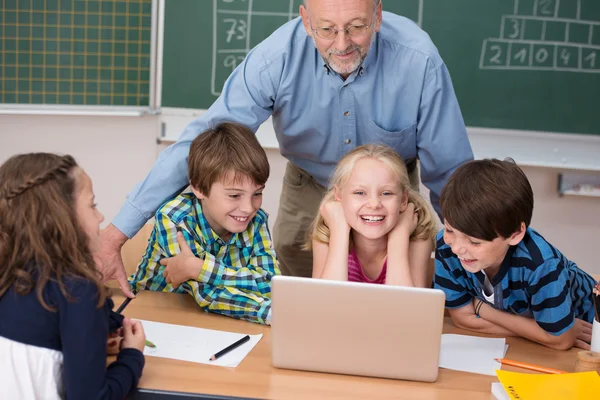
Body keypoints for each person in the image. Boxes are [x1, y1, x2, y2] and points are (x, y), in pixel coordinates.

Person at [100, 0, 473, 295]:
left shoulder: (418, 59)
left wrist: (472, 258)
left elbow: (450, 168)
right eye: (327, 29)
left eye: (357, 27)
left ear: (377, 15)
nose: (342, 44)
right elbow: (201, 143)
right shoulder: (274, 59)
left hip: (394, 196)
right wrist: (117, 234)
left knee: (411, 300)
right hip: (309, 187)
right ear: (306, 20)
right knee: (301, 301)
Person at [0, 153, 146, 399]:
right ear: (62, 219)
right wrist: (132, 356)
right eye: (92, 205)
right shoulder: (78, 290)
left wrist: (103, 326)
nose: (100, 217)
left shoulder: (12, 273)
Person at [434, 159, 597, 350]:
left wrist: (481, 309)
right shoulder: (446, 247)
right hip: (541, 344)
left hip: (590, 335)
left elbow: (561, 341)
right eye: (450, 229)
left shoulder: (541, 265)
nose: (457, 249)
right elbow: (463, 319)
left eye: (475, 242)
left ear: (515, 234)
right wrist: (538, 332)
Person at [129, 122, 279, 325]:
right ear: (199, 187)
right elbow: (207, 293)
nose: (248, 208)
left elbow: (272, 284)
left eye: (257, 194)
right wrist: (273, 313)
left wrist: (199, 268)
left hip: (218, 319)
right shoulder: (174, 218)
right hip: (153, 315)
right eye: (234, 195)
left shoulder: (257, 220)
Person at [309, 144, 437, 287]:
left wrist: (399, 238)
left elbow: (409, 308)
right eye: (360, 193)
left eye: (386, 193)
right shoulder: (328, 233)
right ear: (339, 195)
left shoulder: (416, 238)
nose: (374, 204)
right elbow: (325, 305)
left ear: (403, 200)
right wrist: (339, 231)